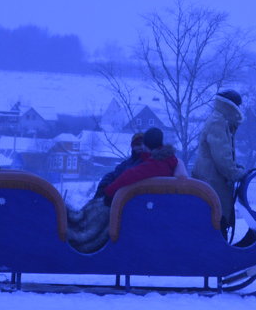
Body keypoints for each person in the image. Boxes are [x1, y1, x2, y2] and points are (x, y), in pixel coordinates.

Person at [67, 127, 187, 253]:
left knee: (96, 214)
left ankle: (78, 236)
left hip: (137, 210)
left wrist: (109, 192)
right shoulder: (169, 160)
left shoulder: (154, 165)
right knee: (94, 210)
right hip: (147, 208)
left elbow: (130, 175)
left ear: (146, 145)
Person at [190, 89, 245, 236]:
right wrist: (234, 173)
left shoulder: (220, 119)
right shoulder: (218, 122)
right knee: (217, 219)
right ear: (232, 107)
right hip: (213, 182)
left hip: (210, 179)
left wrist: (234, 167)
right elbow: (221, 156)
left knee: (215, 218)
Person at [93, 131, 147, 200]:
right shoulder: (126, 163)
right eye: (138, 144)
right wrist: (103, 188)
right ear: (132, 146)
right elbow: (115, 174)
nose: (141, 147)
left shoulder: (149, 161)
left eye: (144, 144)